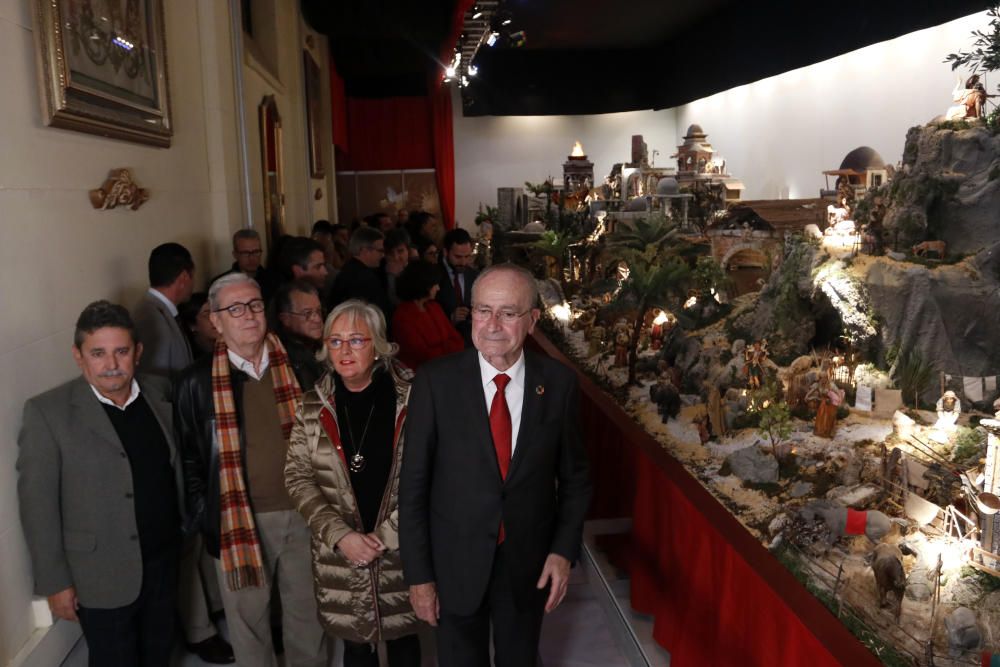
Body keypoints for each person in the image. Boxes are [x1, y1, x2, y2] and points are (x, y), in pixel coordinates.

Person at [399, 264, 592, 667]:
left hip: (527, 565)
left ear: (533, 320)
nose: (492, 324)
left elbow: (574, 478)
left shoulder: (558, 384)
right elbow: (413, 487)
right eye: (483, 310)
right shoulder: (436, 383)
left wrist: (562, 551)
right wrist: (419, 576)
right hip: (454, 565)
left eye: (508, 313)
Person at [18, 301, 186, 666]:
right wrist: (55, 583)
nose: (111, 364)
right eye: (98, 353)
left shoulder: (160, 393)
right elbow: (37, 505)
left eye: (121, 351)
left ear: (137, 353)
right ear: (79, 356)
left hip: (163, 561)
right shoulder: (48, 413)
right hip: (100, 574)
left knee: (160, 651)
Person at [175, 274, 327, 667]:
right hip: (238, 522)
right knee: (249, 623)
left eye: (255, 305)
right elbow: (190, 459)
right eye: (235, 309)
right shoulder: (196, 383)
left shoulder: (300, 365)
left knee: (307, 616)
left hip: (304, 512)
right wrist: (204, 516)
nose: (248, 316)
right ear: (216, 321)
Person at [285, 300, 421, 667]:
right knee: (356, 648)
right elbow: (297, 477)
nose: (345, 351)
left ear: (378, 346)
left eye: (357, 340)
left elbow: (433, 477)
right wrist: (341, 536)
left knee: (405, 640)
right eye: (335, 341)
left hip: (401, 549)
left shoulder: (415, 398)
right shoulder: (312, 405)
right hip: (339, 555)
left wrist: (385, 537)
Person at [132, 242, 195, 378]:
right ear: (184, 277)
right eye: (192, 276)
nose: (193, 283)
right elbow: (152, 380)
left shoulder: (158, 310)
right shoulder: (150, 317)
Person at [393, 262, 464, 370]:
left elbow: (457, 340)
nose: (438, 288)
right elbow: (422, 355)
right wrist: (448, 348)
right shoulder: (403, 315)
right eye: (434, 284)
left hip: (447, 367)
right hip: (421, 375)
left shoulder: (435, 307)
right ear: (423, 284)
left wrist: (442, 349)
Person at [328, 227, 392, 322]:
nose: (383, 255)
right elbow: (378, 313)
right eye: (380, 251)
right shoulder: (363, 277)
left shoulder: (350, 269)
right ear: (364, 250)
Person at [273, 280, 325, 391]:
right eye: (307, 313)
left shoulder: (324, 346)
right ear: (285, 319)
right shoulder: (283, 358)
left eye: (318, 311)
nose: (317, 319)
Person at [436, 228, 478, 346]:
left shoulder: (474, 275)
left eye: (467, 256)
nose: (463, 262)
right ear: (445, 252)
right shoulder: (434, 275)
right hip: (443, 343)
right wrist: (450, 319)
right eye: (458, 257)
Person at [212, 229, 280, 303]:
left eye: (256, 252)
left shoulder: (276, 281)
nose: (252, 258)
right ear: (235, 255)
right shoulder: (221, 283)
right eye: (245, 253)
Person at [178, 292, 218, 360]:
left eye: (216, 312)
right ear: (192, 325)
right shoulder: (188, 357)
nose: (215, 318)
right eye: (206, 314)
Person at [381, 228, 411, 307]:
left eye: (400, 251)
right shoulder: (379, 274)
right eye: (390, 253)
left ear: (408, 250)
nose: (396, 257)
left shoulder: (417, 270)